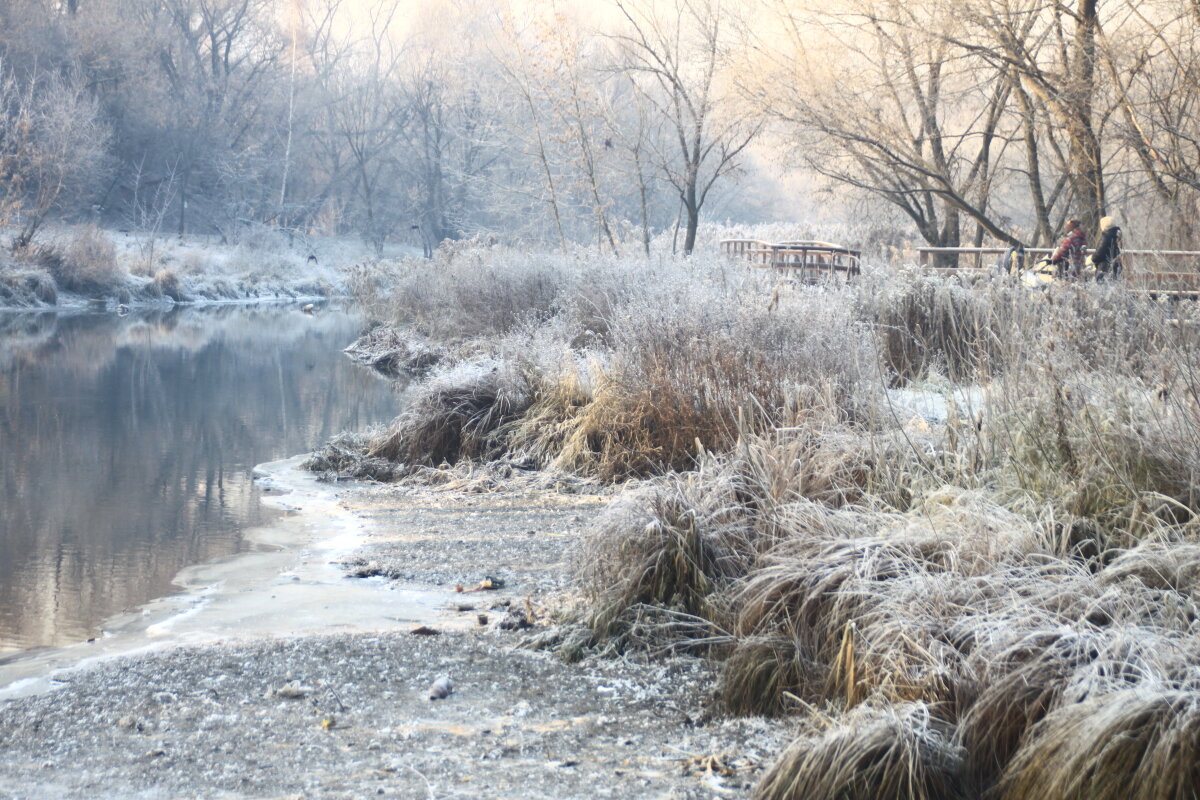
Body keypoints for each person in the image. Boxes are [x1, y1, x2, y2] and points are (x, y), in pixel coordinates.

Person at [1089, 216, 1122, 280]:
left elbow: (1101, 251)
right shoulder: (1115, 235)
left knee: (1102, 286)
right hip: (1113, 265)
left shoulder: (1107, 237)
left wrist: (1093, 259)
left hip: (1104, 266)